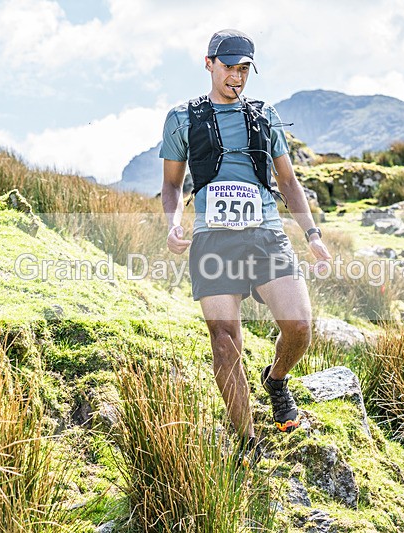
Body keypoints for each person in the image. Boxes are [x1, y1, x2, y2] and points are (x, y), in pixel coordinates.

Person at [160, 29, 331, 466]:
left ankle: (276, 380)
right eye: (229, 67)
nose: (236, 76)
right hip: (213, 240)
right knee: (224, 340)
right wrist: (173, 224)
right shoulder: (183, 118)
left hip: (265, 233)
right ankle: (247, 441)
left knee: (299, 327)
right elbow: (172, 184)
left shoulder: (264, 117)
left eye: (244, 69)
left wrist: (312, 235)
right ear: (208, 63)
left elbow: (288, 182)